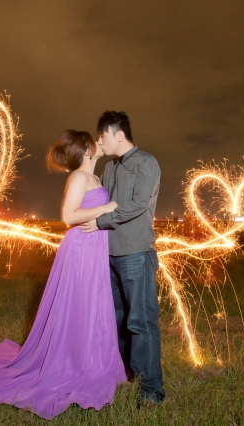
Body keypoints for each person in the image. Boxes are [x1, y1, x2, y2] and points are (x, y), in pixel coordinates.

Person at [0, 130, 126, 420]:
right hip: (81, 250)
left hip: (94, 248)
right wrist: (107, 207)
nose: (99, 143)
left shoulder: (95, 178)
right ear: (86, 150)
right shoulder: (79, 178)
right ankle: (73, 364)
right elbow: (69, 216)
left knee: (93, 305)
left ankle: (92, 362)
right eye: (93, 141)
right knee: (79, 305)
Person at [79, 111, 165, 404]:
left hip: (135, 253)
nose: (99, 140)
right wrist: (97, 156)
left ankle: (151, 389)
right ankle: (126, 374)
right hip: (108, 254)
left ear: (118, 134)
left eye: (102, 135)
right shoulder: (111, 168)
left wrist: (102, 223)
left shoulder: (146, 163)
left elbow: (139, 204)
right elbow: (93, 193)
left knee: (141, 321)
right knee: (117, 319)